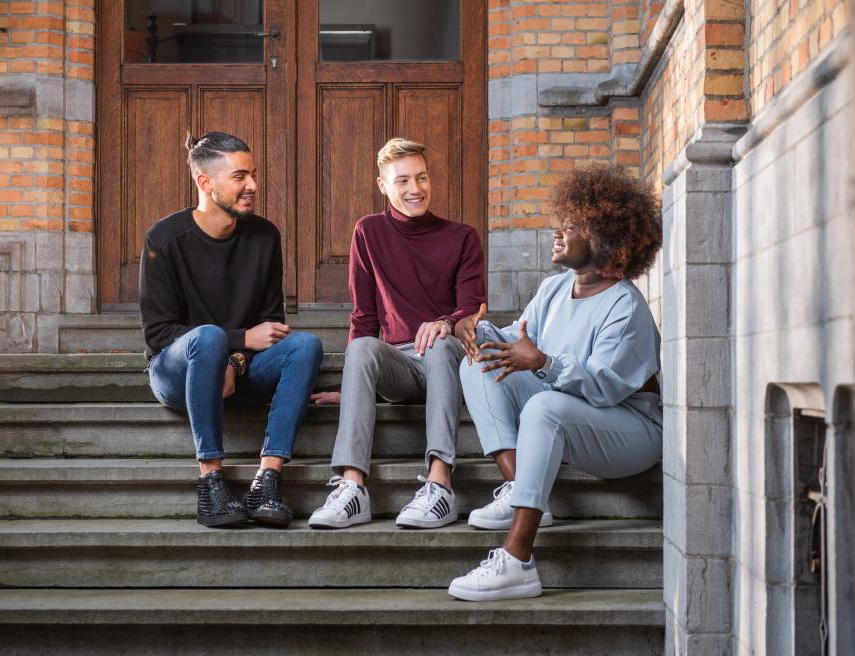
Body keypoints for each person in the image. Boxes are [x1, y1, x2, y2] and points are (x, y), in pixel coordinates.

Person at [447, 165, 663, 600]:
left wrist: (543, 362)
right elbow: (515, 342)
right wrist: (471, 329)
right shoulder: (554, 288)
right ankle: (518, 484)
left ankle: (518, 559)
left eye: (574, 224)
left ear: (605, 240)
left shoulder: (625, 307)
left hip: (632, 430)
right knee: (479, 364)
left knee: (544, 408)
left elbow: (604, 388)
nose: (559, 232)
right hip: (577, 411)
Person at [140, 131, 323, 529]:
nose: (253, 186)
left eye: (253, 175)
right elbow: (158, 334)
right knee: (208, 337)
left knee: (306, 346)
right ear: (205, 182)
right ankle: (211, 480)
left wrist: (235, 360)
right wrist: (235, 341)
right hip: (177, 373)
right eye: (240, 176)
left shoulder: (265, 237)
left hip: (235, 372)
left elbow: (271, 326)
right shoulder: (164, 239)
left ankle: (267, 479)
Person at [307, 138, 485, 529]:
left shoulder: (462, 237)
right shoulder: (368, 232)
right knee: (366, 348)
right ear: (383, 185)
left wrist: (447, 321)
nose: (414, 189)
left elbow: (471, 308)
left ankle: (440, 485)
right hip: (400, 366)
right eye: (402, 180)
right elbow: (364, 314)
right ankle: (352, 488)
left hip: (448, 356)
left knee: (439, 343)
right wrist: (357, 383)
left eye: (421, 178)